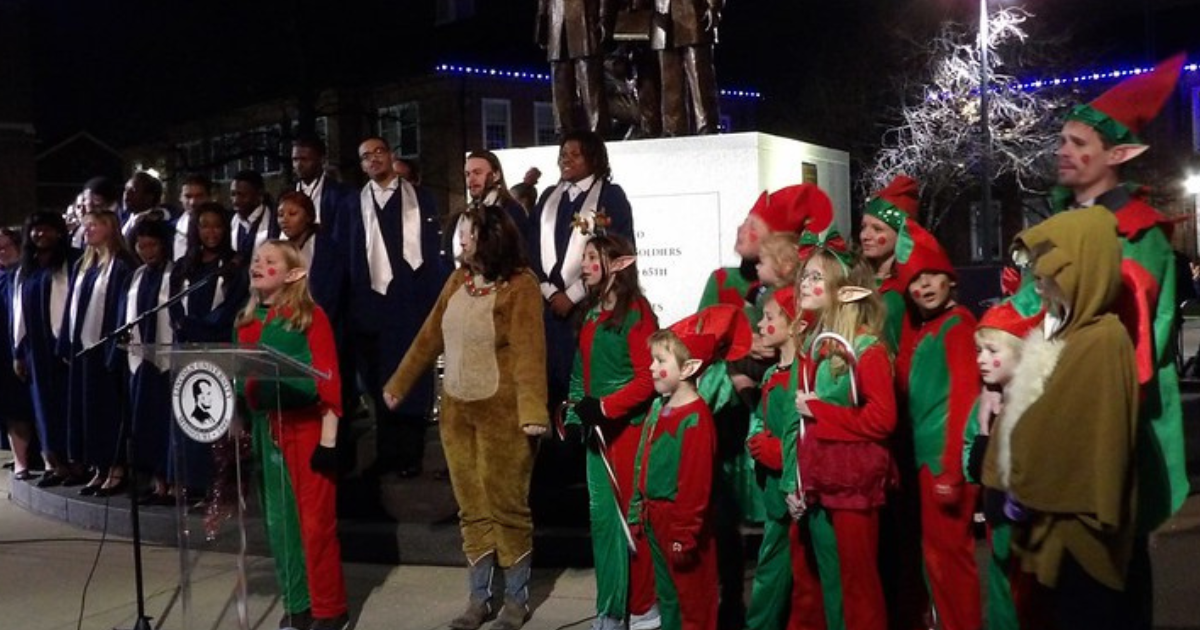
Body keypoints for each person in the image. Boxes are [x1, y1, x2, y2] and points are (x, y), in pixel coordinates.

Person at [1011, 53, 1188, 629]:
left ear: (1119, 155)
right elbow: (1030, 310)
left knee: (1110, 568)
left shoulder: (1138, 233)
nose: (1062, 150)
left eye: (1077, 142)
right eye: (1061, 139)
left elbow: (1144, 338)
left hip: (1106, 422)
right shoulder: (1059, 225)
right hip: (1056, 413)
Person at [383, 204, 547, 630]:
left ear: (490, 237)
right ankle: (478, 600)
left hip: (504, 416)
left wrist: (532, 412)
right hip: (457, 413)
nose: (459, 238)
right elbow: (428, 335)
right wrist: (399, 383)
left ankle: (515, 600)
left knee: (507, 506)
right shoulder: (458, 280)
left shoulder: (521, 286)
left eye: (467, 231)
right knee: (471, 508)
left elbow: (530, 353)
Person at [984, 207, 1139, 630]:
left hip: (1080, 536)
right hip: (1054, 527)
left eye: (1050, 270)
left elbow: (1071, 437)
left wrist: (1018, 480)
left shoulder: (1102, 341)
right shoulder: (1069, 335)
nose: (1040, 281)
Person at [236, 240, 349, 630]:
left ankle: (329, 608)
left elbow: (329, 378)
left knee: (316, 525)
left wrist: (329, 442)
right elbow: (241, 380)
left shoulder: (310, 317)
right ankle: (297, 603)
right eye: (256, 260)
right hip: (268, 428)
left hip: (308, 429)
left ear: (294, 273)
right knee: (280, 525)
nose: (258, 265)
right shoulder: (247, 322)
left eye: (269, 261)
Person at [792, 248, 898, 630]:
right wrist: (800, 483)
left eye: (817, 277)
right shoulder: (821, 348)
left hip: (854, 486)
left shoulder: (866, 349)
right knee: (832, 585)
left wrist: (821, 410)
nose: (805, 283)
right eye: (804, 276)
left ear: (844, 290)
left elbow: (883, 419)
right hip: (821, 485)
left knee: (859, 586)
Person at [564, 234, 659, 630]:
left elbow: (647, 379)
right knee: (603, 523)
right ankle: (610, 610)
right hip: (596, 440)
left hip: (629, 435)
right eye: (583, 258)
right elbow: (578, 374)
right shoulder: (589, 315)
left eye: (591, 258)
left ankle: (642, 610)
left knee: (631, 523)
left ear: (616, 264)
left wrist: (604, 408)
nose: (583, 265)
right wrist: (574, 417)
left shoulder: (636, 313)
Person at [345, 136, 450, 479]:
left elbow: (433, 253)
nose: (373, 159)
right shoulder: (352, 204)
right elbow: (347, 256)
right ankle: (387, 453)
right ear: (361, 165)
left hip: (412, 301)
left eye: (378, 152)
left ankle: (411, 454)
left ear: (391, 156)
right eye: (365, 156)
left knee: (413, 380)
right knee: (378, 383)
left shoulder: (420, 198)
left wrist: (435, 303)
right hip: (370, 306)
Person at [893, 224, 982, 630]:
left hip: (942, 463)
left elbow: (966, 398)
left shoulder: (958, 325)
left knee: (951, 562)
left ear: (950, 278)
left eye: (930, 276)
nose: (923, 286)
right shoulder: (923, 328)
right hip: (922, 464)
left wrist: (951, 468)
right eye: (914, 280)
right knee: (934, 561)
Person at [527, 131, 634, 434]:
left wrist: (573, 295)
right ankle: (557, 454)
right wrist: (549, 291)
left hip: (589, 307)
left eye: (575, 154)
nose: (566, 159)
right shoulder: (549, 197)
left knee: (584, 381)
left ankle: (583, 454)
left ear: (594, 158)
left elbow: (618, 250)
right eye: (563, 153)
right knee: (551, 384)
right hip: (548, 311)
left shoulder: (611, 197)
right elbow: (530, 250)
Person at [628, 327, 722, 630]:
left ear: (689, 368)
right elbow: (643, 459)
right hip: (654, 515)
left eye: (660, 360)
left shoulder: (696, 418)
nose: (652, 368)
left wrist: (685, 532)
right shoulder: (659, 407)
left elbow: (696, 483)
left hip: (680, 522)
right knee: (667, 594)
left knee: (693, 598)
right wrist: (637, 507)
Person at [962, 302, 1047, 630]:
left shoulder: (1033, 405)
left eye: (991, 350)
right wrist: (984, 428)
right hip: (998, 528)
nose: (981, 359)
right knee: (1000, 601)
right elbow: (972, 466)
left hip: (1025, 533)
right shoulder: (987, 404)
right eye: (979, 350)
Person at [171, 202, 248, 514]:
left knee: (219, 421)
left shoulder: (234, 266)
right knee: (194, 420)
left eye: (217, 225)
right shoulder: (184, 265)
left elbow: (230, 310)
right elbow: (173, 305)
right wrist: (182, 326)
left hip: (217, 348)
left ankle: (221, 489)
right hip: (187, 350)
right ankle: (196, 484)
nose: (211, 232)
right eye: (204, 225)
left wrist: (197, 327)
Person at [59, 209, 136, 497]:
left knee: (108, 411)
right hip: (83, 349)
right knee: (86, 412)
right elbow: (72, 307)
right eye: (85, 225)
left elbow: (121, 309)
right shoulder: (85, 263)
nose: (87, 230)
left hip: (106, 350)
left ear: (110, 227)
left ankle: (116, 468)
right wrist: (66, 345)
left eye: (94, 225)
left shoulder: (123, 264)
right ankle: (98, 467)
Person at [743, 287, 802, 630]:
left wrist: (782, 455)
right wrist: (756, 439)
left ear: (793, 324)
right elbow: (762, 420)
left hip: (794, 489)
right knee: (771, 567)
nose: (762, 325)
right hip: (774, 493)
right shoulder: (769, 375)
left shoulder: (803, 372)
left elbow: (803, 431)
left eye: (769, 317)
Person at [13, 212, 80, 487]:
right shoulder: (26, 267)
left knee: (67, 405)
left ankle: (78, 463)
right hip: (36, 348)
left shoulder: (73, 261)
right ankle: (55, 465)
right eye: (36, 231)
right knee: (43, 406)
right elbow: (18, 313)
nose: (41, 235)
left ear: (59, 232)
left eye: (47, 230)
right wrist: (18, 352)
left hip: (63, 344)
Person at [119, 218, 178, 505]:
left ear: (164, 245)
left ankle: (175, 481)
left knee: (168, 421)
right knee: (147, 422)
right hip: (141, 362)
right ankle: (158, 483)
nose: (146, 251)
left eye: (152, 244)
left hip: (168, 361)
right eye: (141, 245)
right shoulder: (137, 276)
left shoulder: (176, 273)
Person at [859, 175, 920, 353]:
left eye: (877, 229)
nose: (865, 235)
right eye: (864, 227)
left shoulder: (909, 288)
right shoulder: (856, 278)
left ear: (900, 234)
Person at [536, 0, 611, 134]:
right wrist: (542, 21)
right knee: (560, 75)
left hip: (585, 17)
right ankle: (563, 129)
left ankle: (598, 128)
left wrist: (604, 17)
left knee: (589, 77)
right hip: (557, 17)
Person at [649, 0, 721, 135]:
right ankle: (673, 128)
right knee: (670, 80)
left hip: (694, 11)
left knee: (699, 75)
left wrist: (714, 6)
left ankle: (707, 125)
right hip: (663, 15)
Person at [0, 227, 37, 481]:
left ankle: (44, 458)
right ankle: (21, 460)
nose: (2, 253)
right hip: (2, 350)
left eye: (6, 247)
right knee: (11, 407)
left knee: (30, 405)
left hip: (26, 349)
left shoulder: (27, 274)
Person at [454, 150, 529, 262]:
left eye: (477, 173)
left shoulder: (511, 210)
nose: (471, 179)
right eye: (467, 174)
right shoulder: (467, 212)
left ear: (496, 175)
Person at [292, 133, 355, 232]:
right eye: (295, 160)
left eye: (304, 159)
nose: (298, 165)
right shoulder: (286, 194)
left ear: (322, 160)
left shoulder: (341, 194)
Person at [230, 170, 278, 257]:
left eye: (242, 195)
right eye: (233, 194)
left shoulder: (274, 222)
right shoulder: (232, 220)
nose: (235, 200)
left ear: (259, 195)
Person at [119, 171, 169, 241]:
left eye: (133, 190)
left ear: (149, 197)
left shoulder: (157, 224)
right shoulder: (122, 217)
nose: (126, 194)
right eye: (126, 189)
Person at [174, 174, 213, 261]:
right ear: (180, 197)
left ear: (209, 197)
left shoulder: (225, 225)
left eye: (199, 196)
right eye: (188, 196)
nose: (193, 202)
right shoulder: (171, 228)